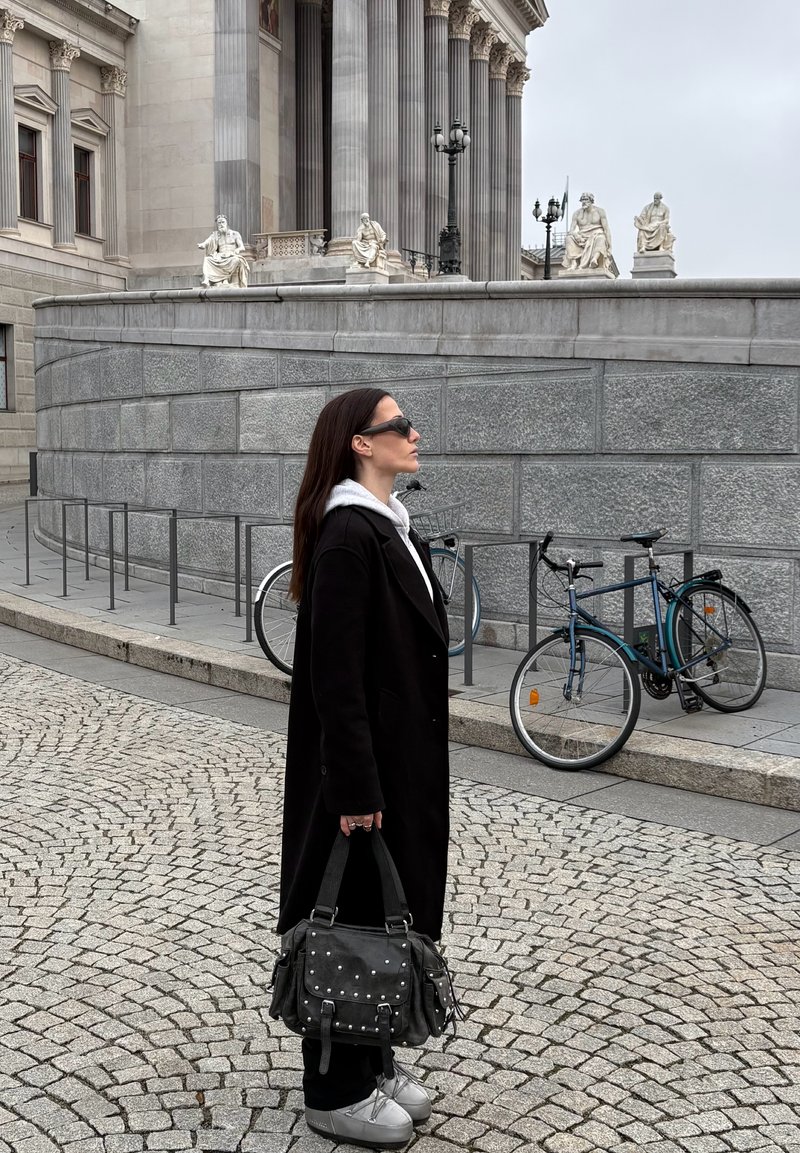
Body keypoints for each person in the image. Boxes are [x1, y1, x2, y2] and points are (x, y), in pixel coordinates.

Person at [278, 389, 450, 1148]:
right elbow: (334, 677)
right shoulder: (349, 534)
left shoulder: (388, 526)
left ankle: (373, 1060)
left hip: (398, 759)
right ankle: (334, 1089)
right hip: (364, 771)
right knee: (348, 918)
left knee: (383, 911)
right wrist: (353, 785)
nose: (413, 434)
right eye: (398, 425)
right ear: (360, 443)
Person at [562, 191, 614, 274]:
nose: (583, 202)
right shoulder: (576, 214)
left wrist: (610, 246)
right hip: (582, 237)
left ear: (591, 200)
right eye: (582, 200)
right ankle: (574, 263)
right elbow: (571, 230)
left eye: (586, 199)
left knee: (601, 238)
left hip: (596, 234)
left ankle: (594, 259)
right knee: (568, 238)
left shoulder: (600, 211)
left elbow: (606, 229)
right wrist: (576, 235)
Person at [197, 215, 250, 288]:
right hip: (220, 256)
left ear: (226, 223)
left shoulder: (235, 234)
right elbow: (207, 241)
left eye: (223, 222)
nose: (221, 224)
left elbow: (242, 247)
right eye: (219, 223)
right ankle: (207, 280)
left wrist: (237, 249)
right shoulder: (215, 235)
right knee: (207, 259)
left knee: (236, 260)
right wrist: (202, 245)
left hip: (232, 255)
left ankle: (225, 280)